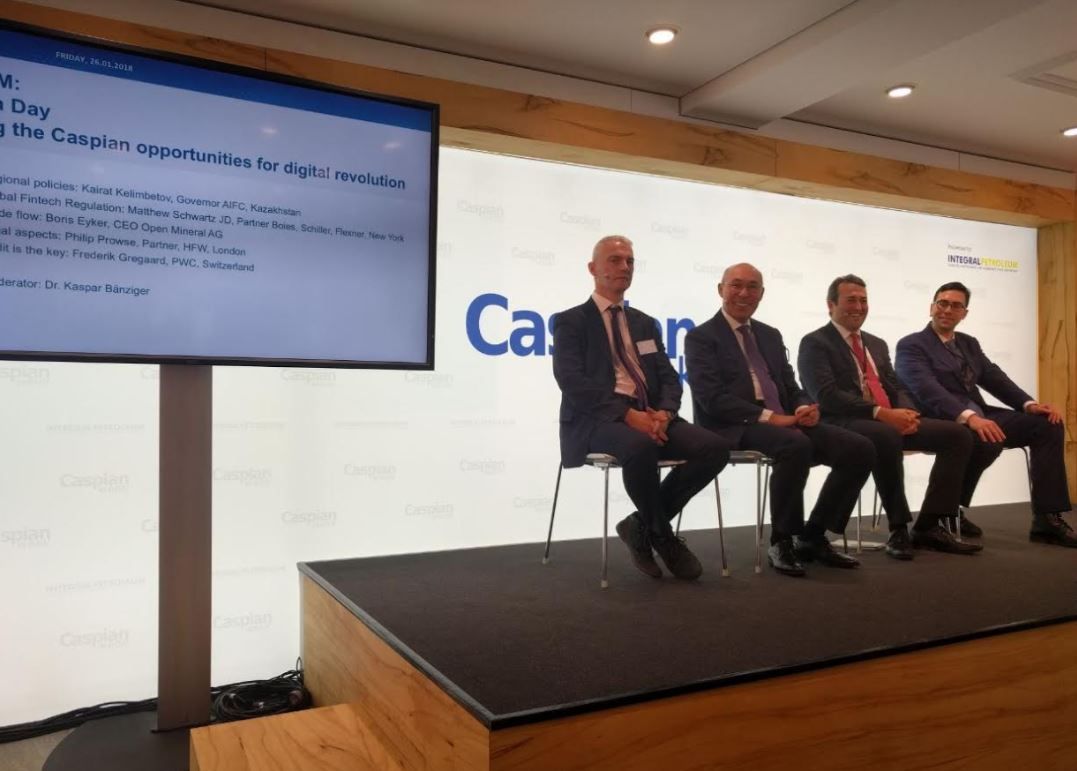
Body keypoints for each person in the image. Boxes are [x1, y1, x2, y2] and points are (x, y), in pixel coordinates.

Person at [552, 235, 730, 580]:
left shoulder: (644, 323)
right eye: (615, 260)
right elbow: (572, 382)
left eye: (630, 261)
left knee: (715, 448)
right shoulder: (571, 321)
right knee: (640, 446)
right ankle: (662, 535)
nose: (625, 267)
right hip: (598, 418)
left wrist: (664, 413)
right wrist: (626, 415)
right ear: (592, 268)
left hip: (650, 413)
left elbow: (669, 377)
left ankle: (640, 525)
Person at [684, 263, 873, 577]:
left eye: (753, 287)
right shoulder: (701, 337)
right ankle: (782, 540)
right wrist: (771, 418)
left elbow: (789, 385)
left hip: (783, 421)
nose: (744, 293)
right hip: (733, 425)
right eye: (736, 285)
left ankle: (813, 535)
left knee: (859, 448)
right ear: (721, 289)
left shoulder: (769, 335)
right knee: (794, 445)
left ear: (762, 294)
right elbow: (712, 398)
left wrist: (803, 407)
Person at [797, 275, 979, 559]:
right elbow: (826, 395)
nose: (859, 307)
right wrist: (882, 414)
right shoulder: (815, 342)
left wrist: (908, 413)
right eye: (851, 300)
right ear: (831, 304)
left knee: (958, 435)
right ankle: (898, 528)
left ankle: (929, 525)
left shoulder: (876, 343)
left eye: (863, 300)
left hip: (886, 419)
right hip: (840, 420)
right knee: (886, 435)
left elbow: (896, 387)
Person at [895, 281, 1075, 547]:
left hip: (981, 415)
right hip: (940, 418)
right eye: (942, 303)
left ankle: (1047, 519)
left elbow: (994, 377)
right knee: (985, 438)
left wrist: (1029, 404)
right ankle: (941, 516)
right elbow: (926, 389)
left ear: (964, 313)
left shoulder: (968, 343)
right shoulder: (912, 344)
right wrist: (970, 417)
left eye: (956, 306)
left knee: (1047, 425)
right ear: (931, 307)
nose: (948, 310)